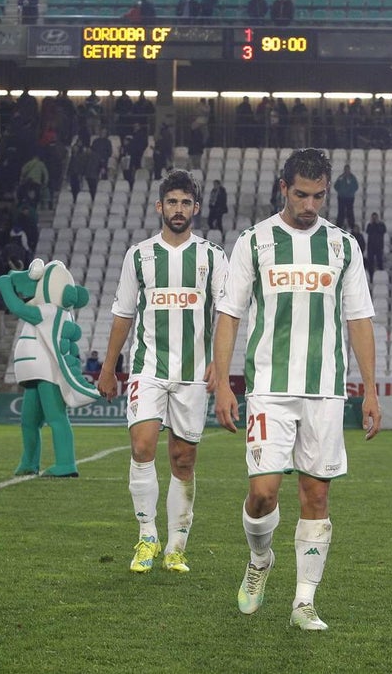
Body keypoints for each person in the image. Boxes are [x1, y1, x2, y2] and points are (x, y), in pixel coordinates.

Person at [213, 148, 381, 631]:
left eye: (319, 196)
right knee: (263, 494)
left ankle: (304, 601)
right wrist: (223, 383)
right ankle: (259, 559)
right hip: (268, 387)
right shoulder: (254, 242)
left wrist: (370, 390)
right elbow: (230, 317)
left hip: (325, 390)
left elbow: (359, 319)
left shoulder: (344, 246)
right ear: (283, 188)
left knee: (315, 495)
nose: (310, 205)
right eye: (302, 194)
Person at [98, 170, 229, 575]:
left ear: (196, 208)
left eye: (185, 203)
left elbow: (227, 314)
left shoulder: (212, 256)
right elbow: (123, 314)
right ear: (160, 206)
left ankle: (176, 545)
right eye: (172, 202)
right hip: (147, 368)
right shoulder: (138, 255)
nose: (178, 209)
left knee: (183, 459)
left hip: (192, 373)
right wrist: (108, 367)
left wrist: (219, 367)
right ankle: (146, 537)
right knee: (141, 446)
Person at [332, 164, 359, 230]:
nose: (347, 171)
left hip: (350, 198)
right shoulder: (341, 177)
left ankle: (351, 225)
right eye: (345, 169)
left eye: (348, 169)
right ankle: (339, 225)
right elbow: (335, 186)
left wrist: (350, 192)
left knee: (350, 211)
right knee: (341, 212)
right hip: (341, 197)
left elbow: (356, 186)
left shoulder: (352, 178)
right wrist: (340, 191)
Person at [364, 212, 386, 279]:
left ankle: (381, 275)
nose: (374, 219)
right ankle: (371, 276)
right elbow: (367, 231)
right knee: (371, 262)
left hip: (379, 246)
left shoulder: (381, 225)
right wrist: (372, 223)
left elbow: (383, 230)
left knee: (380, 261)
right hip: (371, 246)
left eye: (375, 217)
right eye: (373, 217)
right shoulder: (370, 225)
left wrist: (377, 223)